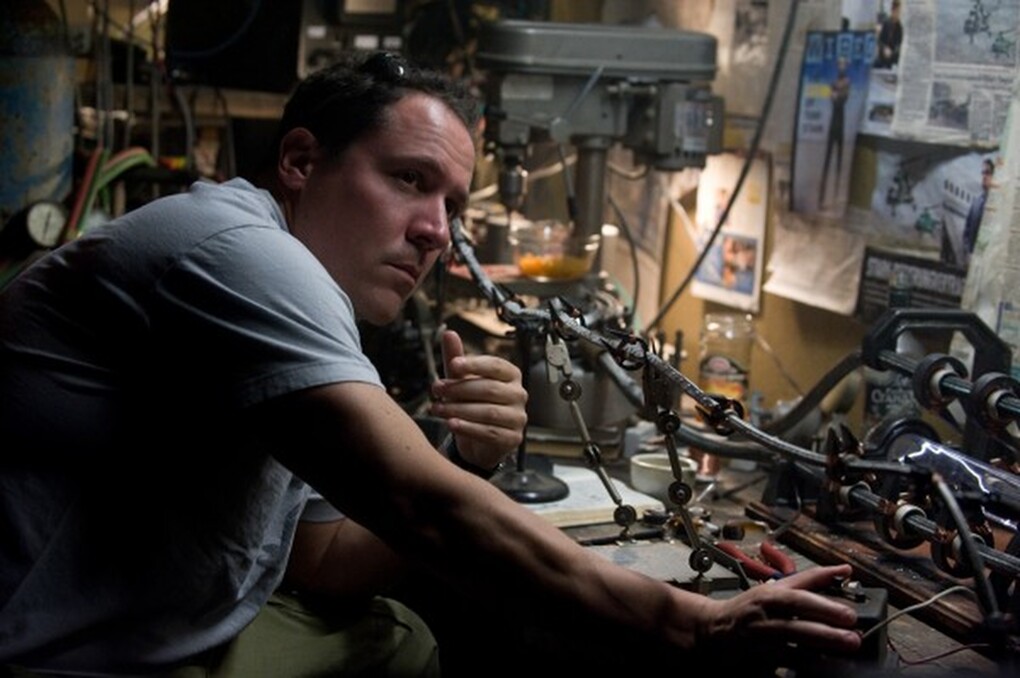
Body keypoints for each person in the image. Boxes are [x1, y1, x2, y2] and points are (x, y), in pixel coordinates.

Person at [0, 50, 862, 676]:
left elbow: (325, 560)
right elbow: (421, 510)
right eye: (410, 180)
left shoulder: (304, 296)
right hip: (54, 650)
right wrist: (695, 623)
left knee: (399, 641)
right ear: (300, 161)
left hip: (149, 623)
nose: (438, 232)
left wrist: (462, 459)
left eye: (452, 203)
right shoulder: (236, 250)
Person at [818, 57, 851, 209]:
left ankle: (836, 198)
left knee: (838, 162)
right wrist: (835, 92)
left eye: (843, 65)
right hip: (834, 123)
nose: (841, 67)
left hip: (840, 123)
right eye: (840, 64)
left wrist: (836, 93)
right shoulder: (836, 83)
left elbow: (840, 100)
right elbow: (834, 98)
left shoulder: (846, 83)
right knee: (827, 160)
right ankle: (822, 198)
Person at [874, 0, 903, 69]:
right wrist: (884, 48)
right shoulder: (886, 23)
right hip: (883, 57)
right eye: (897, 12)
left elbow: (899, 44)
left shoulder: (900, 27)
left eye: (899, 12)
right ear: (893, 11)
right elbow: (880, 41)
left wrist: (892, 52)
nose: (898, 14)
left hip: (894, 59)